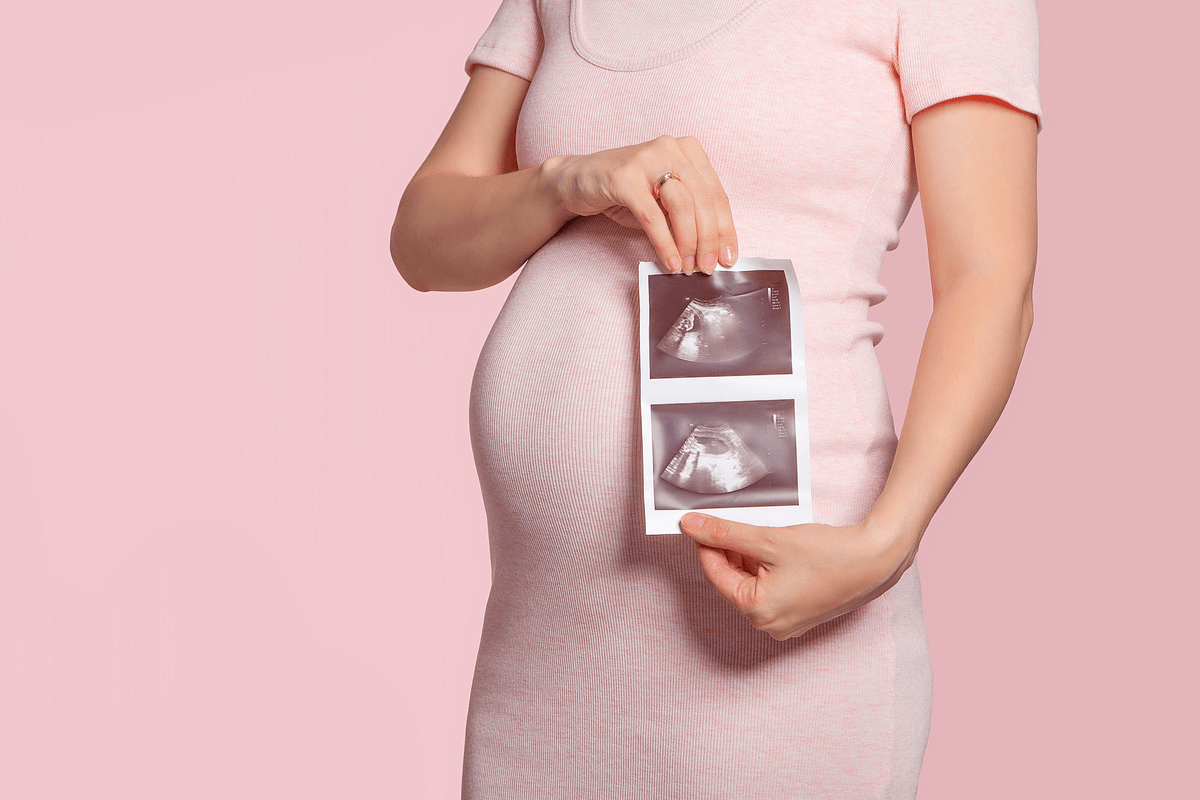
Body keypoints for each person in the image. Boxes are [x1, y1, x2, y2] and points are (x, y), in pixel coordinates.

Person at [391, 0, 1041, 796]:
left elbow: (989, 279)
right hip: (543, 640)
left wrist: (884, 544)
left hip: (774, 608)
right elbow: (423, 240)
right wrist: (567, 181)